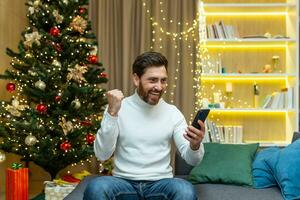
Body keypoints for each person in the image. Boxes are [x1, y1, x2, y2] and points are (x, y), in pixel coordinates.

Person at [83, 51, 205, 200]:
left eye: (163, 80)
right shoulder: (117, 108)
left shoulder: (172, 113)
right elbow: (102, 154)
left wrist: (195, 146)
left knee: (184, 190)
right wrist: (112, 114)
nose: (159, 87)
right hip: (123, 183)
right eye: (153, 80)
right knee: (97, 187)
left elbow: (192, 160)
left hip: (160, 184)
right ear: (136, 79)